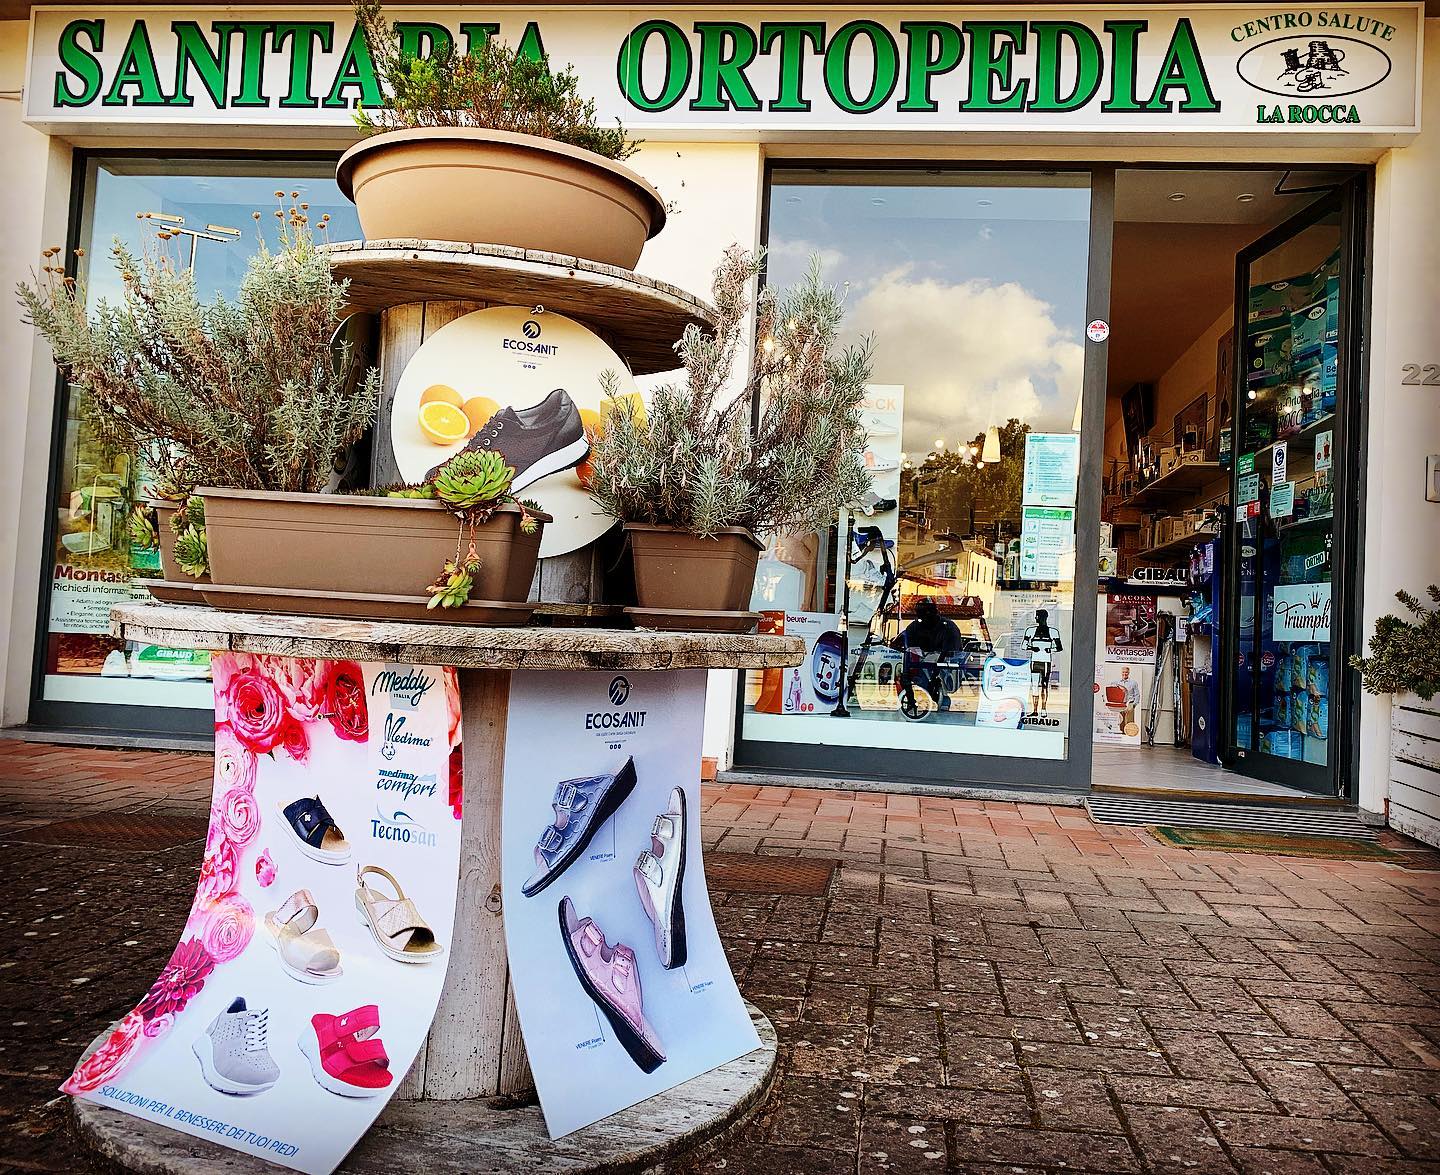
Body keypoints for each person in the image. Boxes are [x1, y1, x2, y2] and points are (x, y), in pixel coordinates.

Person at [891, 598, 962, 712]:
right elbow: (906, 646)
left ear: (934, 611)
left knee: (933, 664)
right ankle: (912, 700)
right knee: (905, 673)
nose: (925, 617)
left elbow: (952, 652)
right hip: (921, 662)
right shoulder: (914, 626)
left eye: (928, 612)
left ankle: (941, 697)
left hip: (944, 663)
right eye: (921, 613)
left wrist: (935, 663)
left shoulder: (948, 626)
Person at [1022, 608, 1064, 717]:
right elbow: (1023, 646)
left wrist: (1050, 649)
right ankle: (1035, 710)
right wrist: (1032, 648)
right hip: (1035, 661)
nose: (1036, 618)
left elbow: (1059, 647)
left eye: (1037, 616)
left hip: (1045, 661)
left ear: (1043, 617)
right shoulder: (1030, 630)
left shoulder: (1053, 631)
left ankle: (1044, 709)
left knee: (1044, 685)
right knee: (1035, 685)